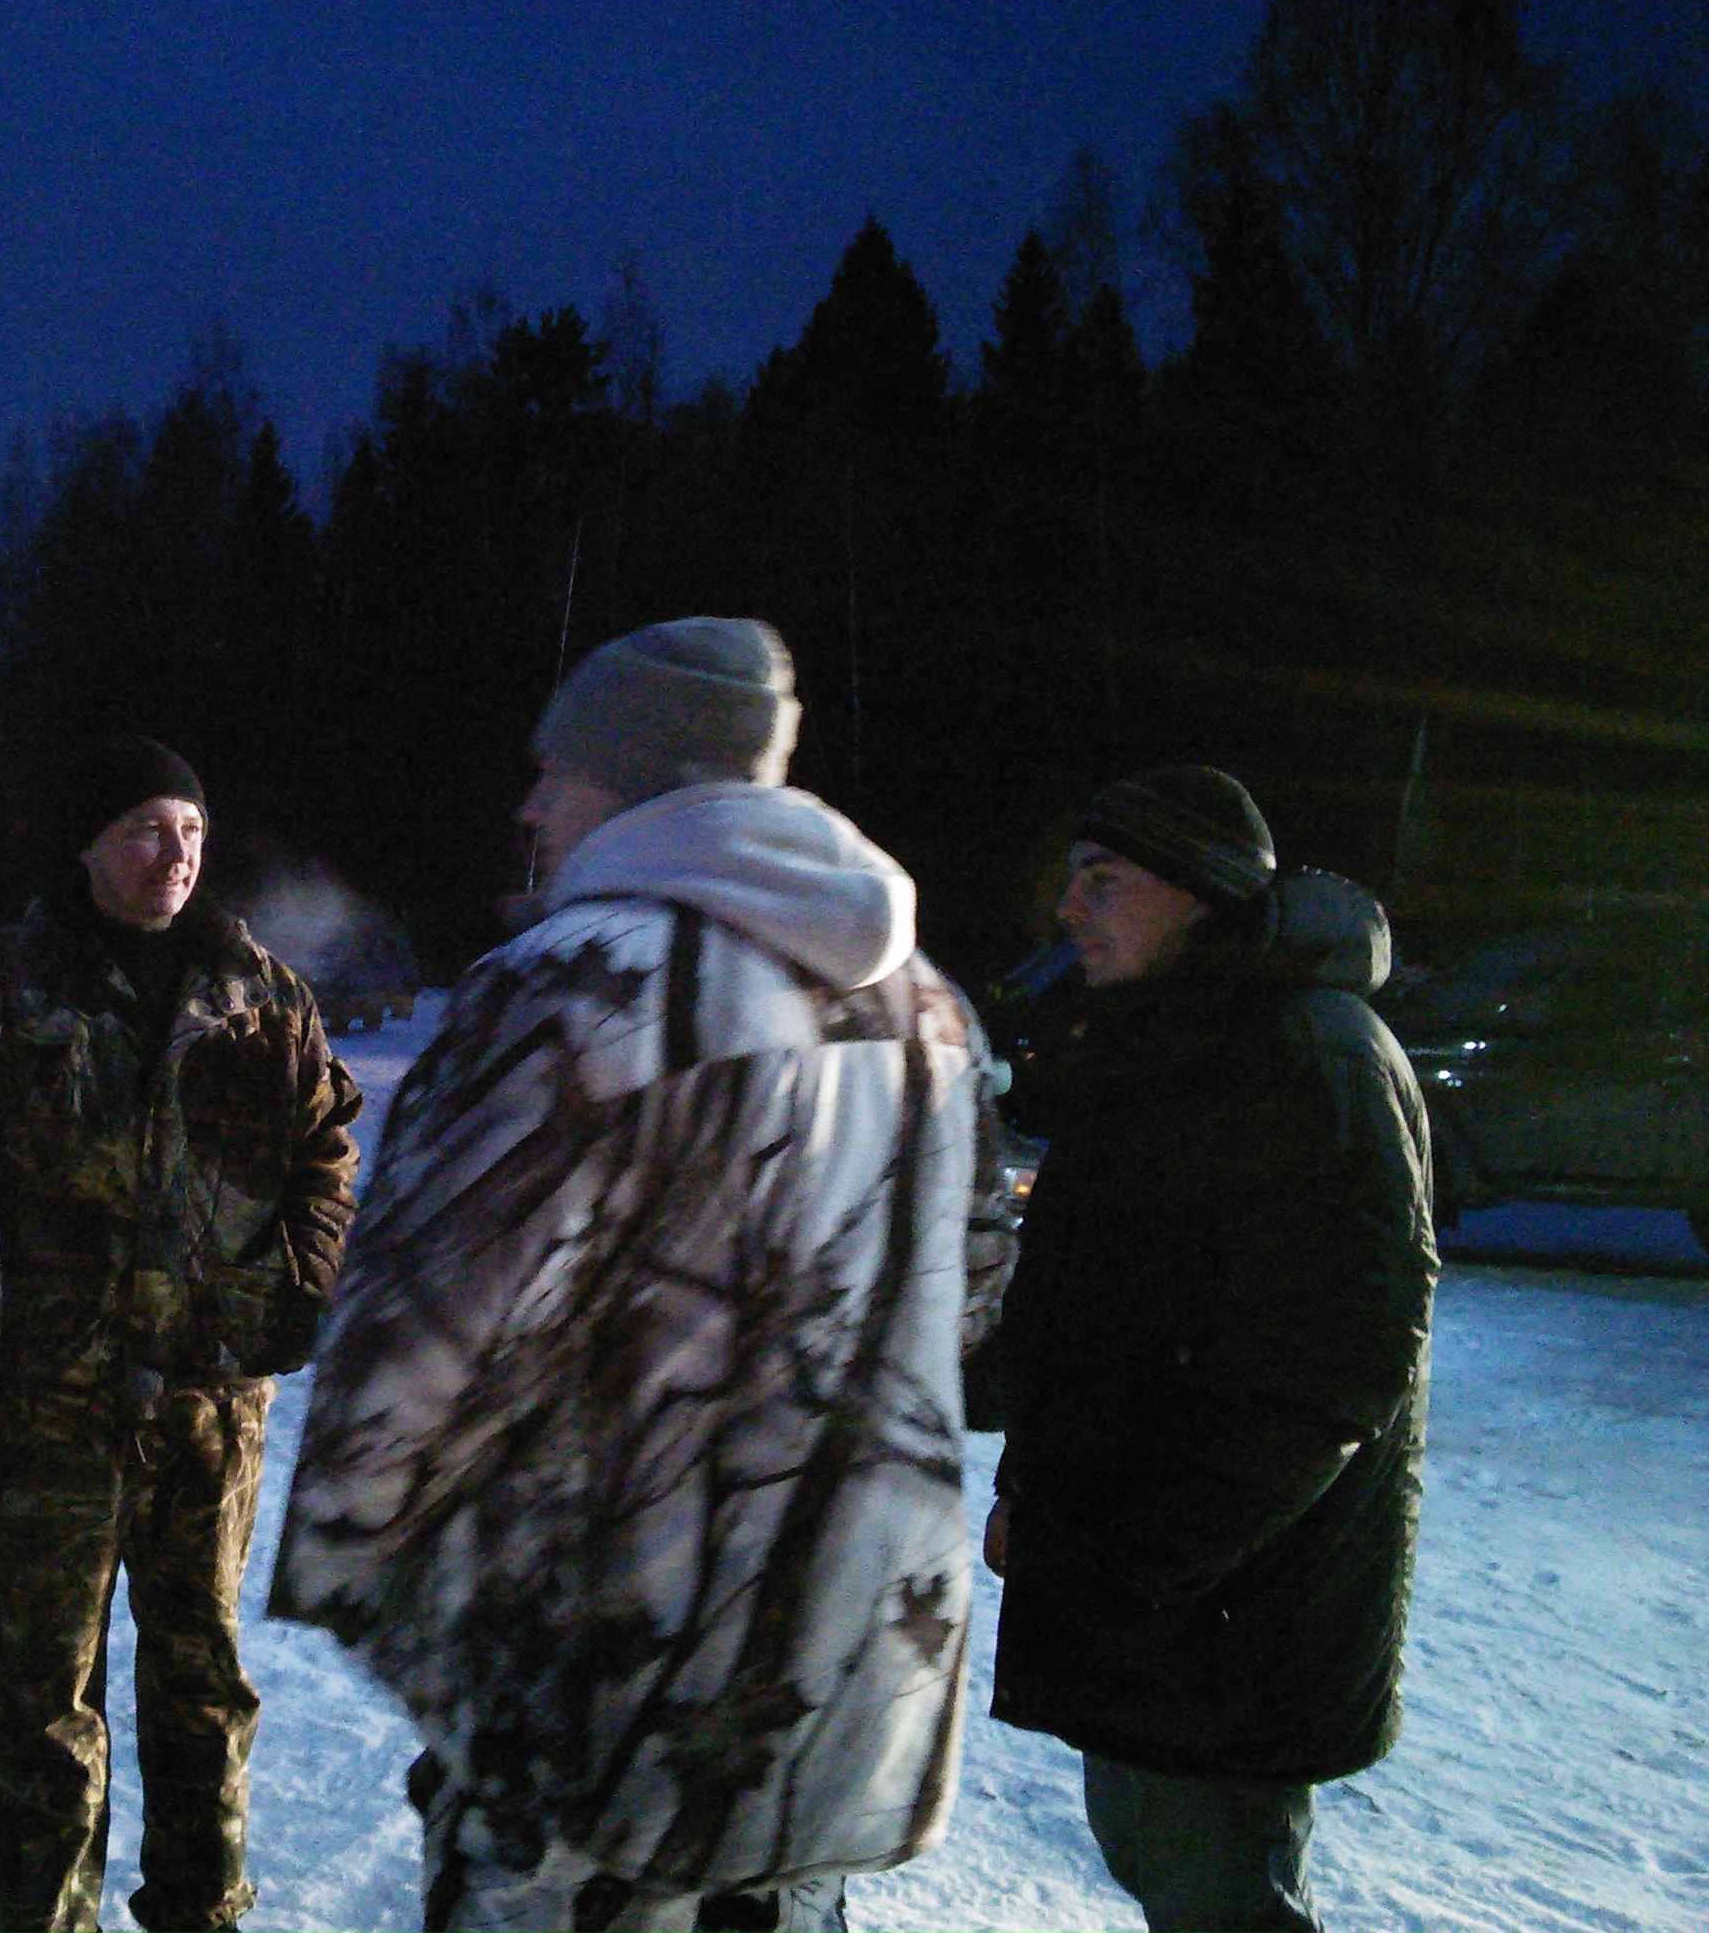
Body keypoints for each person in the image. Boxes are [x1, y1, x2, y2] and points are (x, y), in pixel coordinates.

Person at [271, 619, 1007, 1933]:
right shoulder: (926, 1005)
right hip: (834, 1697)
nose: (532, 806)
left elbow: (410, 1361)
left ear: (635, 779)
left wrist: (368, 1569)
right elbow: (972, 1286)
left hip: (603, 1706)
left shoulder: (574, 989)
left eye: (555, 770)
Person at [984, 766, 1436, 1933]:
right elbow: (1097, 1307)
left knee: (1221, 1895)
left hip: (1230, 1622)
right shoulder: (1171, 1043)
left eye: (1103, 882)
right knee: (1161, 1855)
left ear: (1199, 892)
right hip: (1160, 1603)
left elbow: (1331, 1364)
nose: (1069, 910)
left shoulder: (1307, 1054)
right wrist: (1023, 1468)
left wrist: (1141, 1562)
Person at [0, 735, 361, 1933]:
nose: (175, 853)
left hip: (211, 1405)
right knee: (42, 1690)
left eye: (191, 831)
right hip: (53, 1403)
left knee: (201, 1678)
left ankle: (200, 1908)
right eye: (144, 829)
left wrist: (299, 1282)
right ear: (87, 845)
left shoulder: (261, 995)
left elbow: (327, 1147)